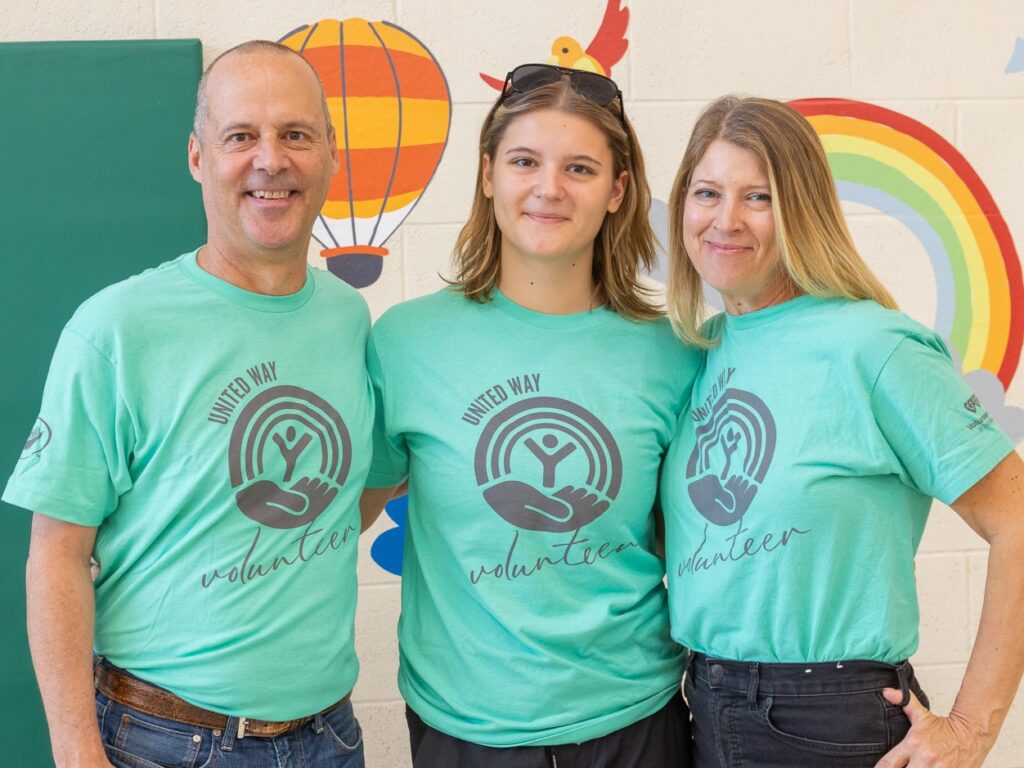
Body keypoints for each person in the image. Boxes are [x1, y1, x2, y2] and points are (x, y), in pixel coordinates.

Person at [4, 41, 372, 768]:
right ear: (197, 157)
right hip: (161, 742)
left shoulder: (346, 315)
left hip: (330, 736)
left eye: (296, 134)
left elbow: (348, 493)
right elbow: (56, 555)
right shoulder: (116, 328)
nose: (271, 160)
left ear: (332, 155)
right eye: (242, 137)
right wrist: (77, 751)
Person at [661, 95, 1024, 768]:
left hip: (824, 721)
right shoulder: (702, 352)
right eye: (706, 192)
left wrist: (973, 728)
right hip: (704, 704)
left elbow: (1019, 520)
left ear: (802, 209)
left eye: (759, 197)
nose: (726, 220)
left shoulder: (874, 347)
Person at [361, 64, 701, 766]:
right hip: (465, 732)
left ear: (618, 191)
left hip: (635, 726)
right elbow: (335, 519)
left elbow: (694, 543)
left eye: (579, 168)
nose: (549, 188)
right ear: (488, 176)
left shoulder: (674, 354)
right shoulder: (404, 342)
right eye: (524, 161)